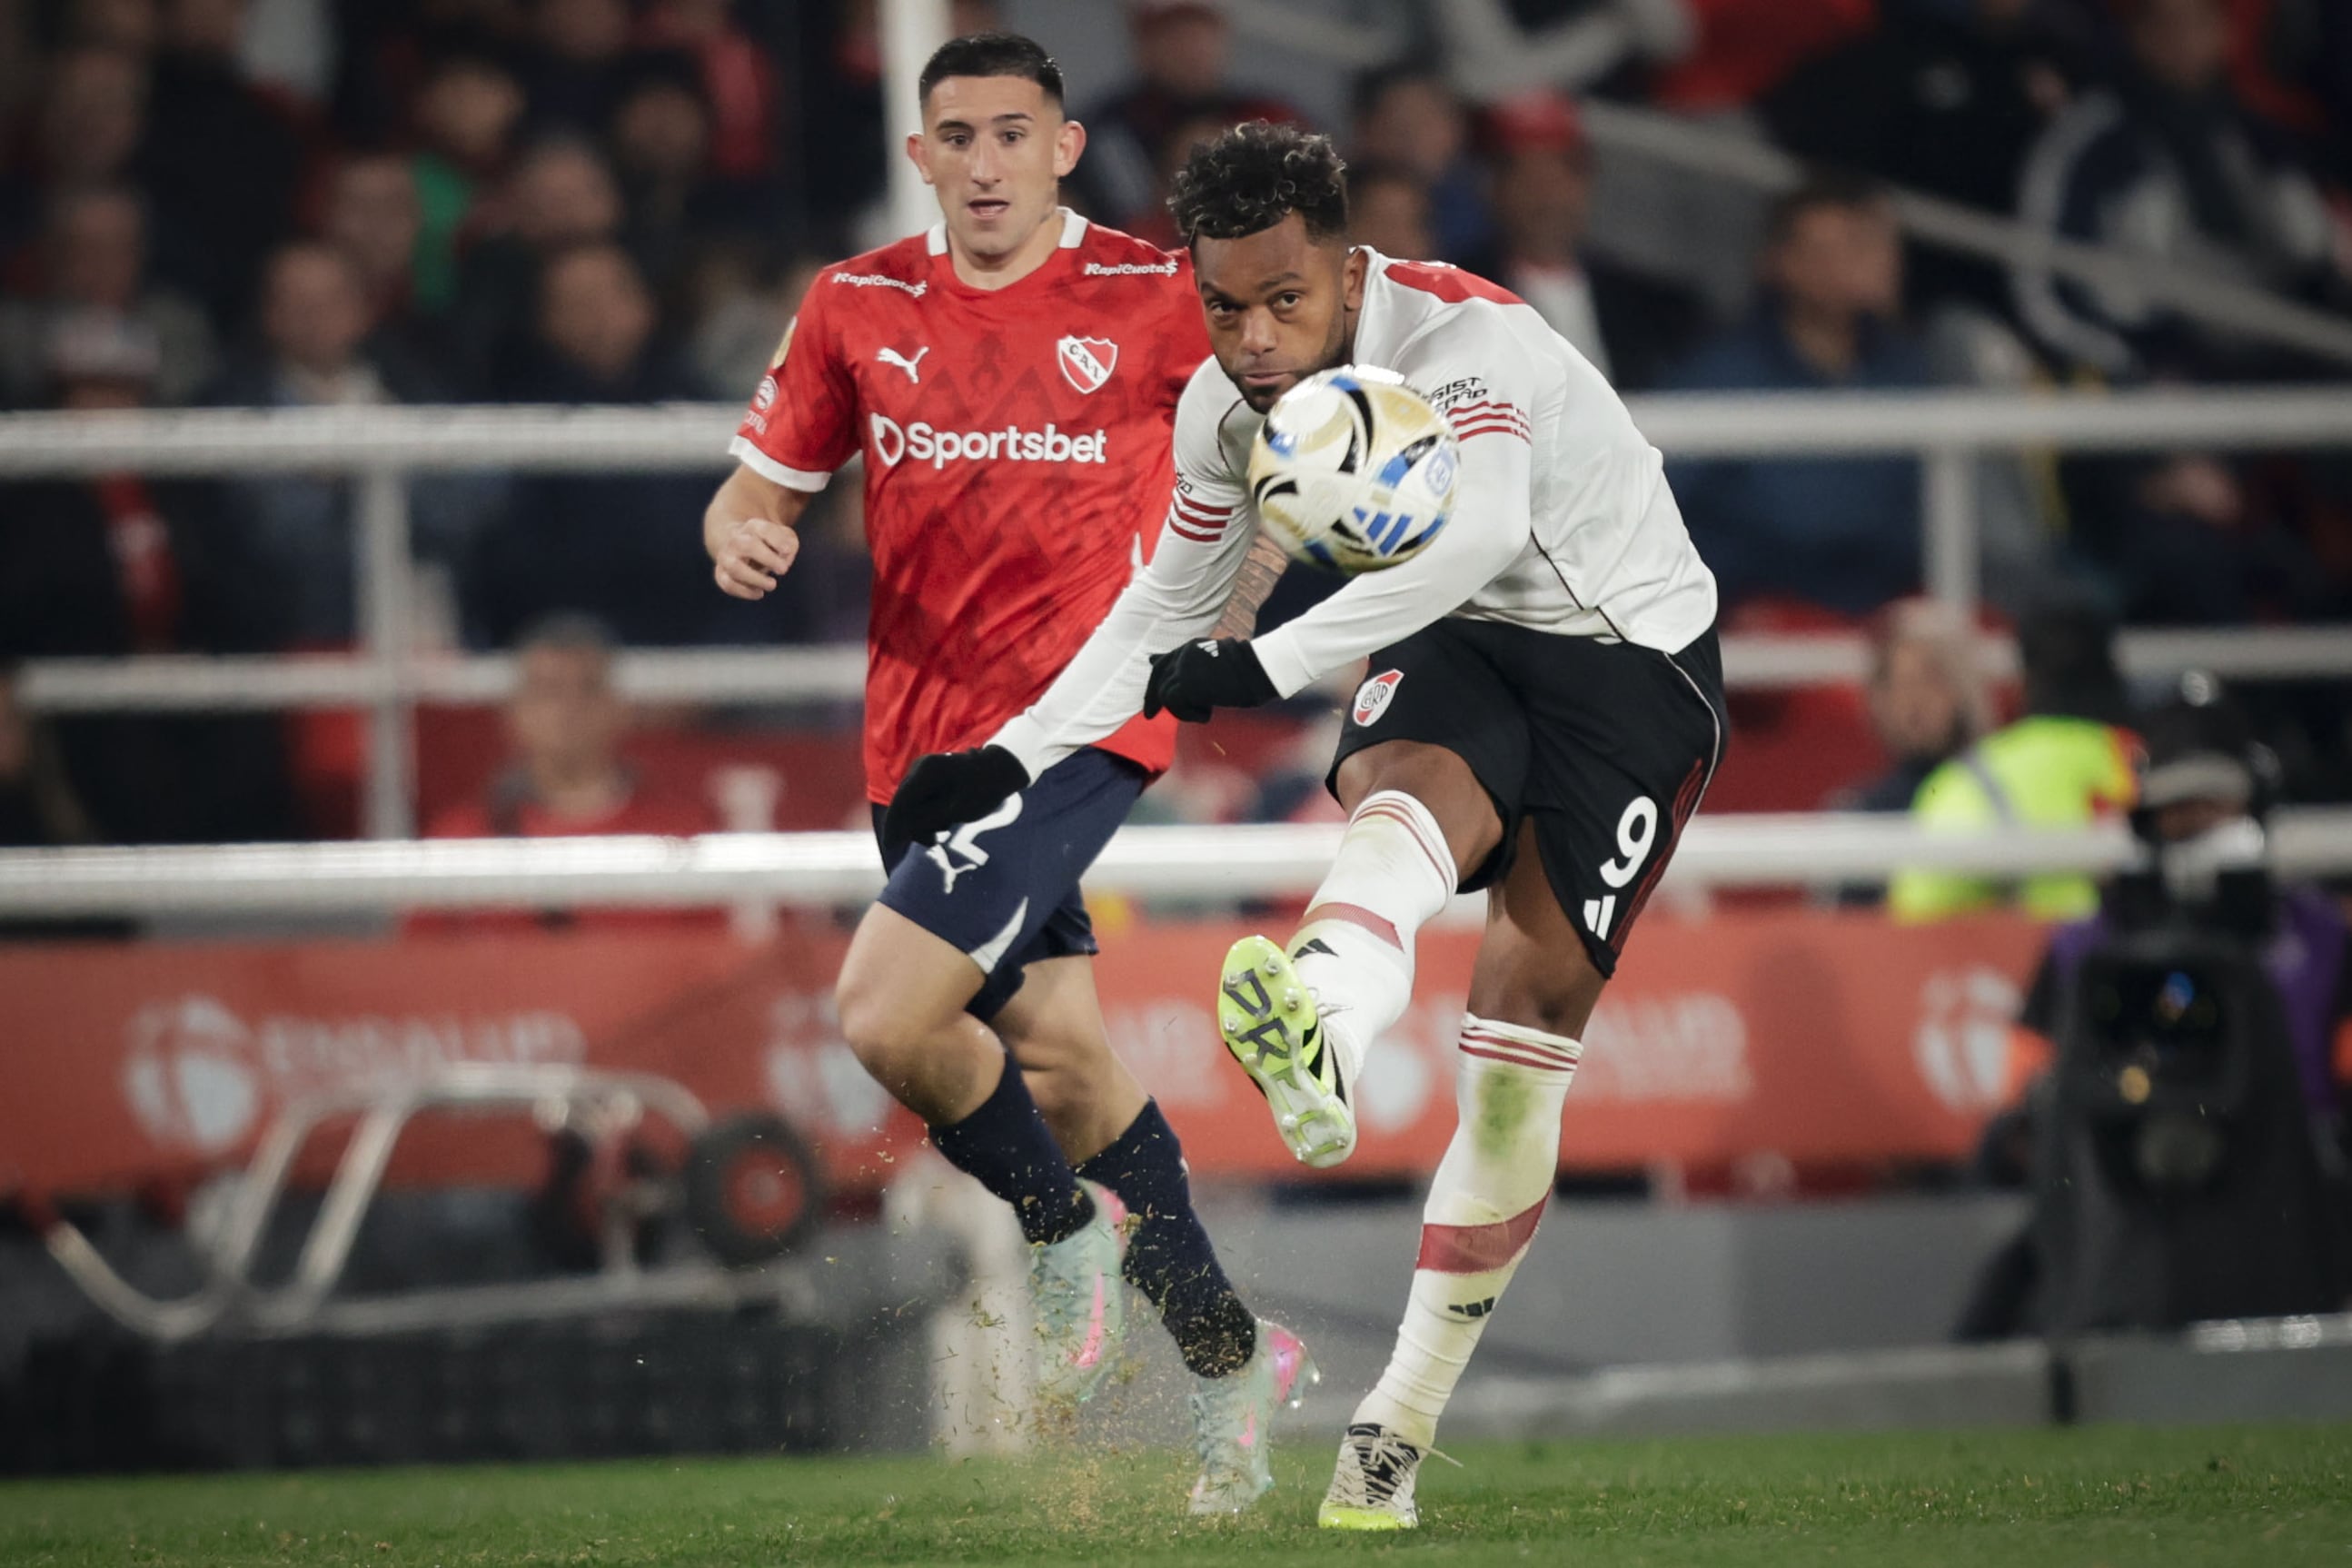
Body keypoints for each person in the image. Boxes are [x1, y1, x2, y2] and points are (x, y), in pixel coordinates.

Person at [886, 122, 1723, 1529]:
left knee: (1517, 1037)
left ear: (1349, 267)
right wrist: (1006, 756)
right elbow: (1163, 605)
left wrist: (1267, 663)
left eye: (1286, 300)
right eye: (1225, 306)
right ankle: (1323, 1028)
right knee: (1397, 801)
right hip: (1461, 638)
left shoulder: (1467, 346)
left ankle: (1391, 1430)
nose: (1257, 338)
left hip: (1628, 655)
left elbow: (1476, 530)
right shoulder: (1223, 404)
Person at [699, 34, 1309, 1514]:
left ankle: (1055, 1233)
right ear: (919, 157)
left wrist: (1253, 571)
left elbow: (1288, 450)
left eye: (1007, 134)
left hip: (1076, 724)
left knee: (880, 1012)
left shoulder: (1156, 299)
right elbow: (754, 483)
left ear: (1061, 146)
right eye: (952, 135)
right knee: (1066, 1061)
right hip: (914, 743)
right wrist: (739, 529)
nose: (980, 162)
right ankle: (1232, 1358)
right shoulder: (855, 307)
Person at [2012, 0, 2344, 382]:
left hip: (2294, 371)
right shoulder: (2089, 142)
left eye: (2197, 23)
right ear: (2136, 34)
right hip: (2159, 388)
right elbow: (2041, 286)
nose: (2181, 40)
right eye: (2163, 24)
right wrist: (2135, 376)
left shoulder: (2263, 139)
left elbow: (2320, 262)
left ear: (2226, 33)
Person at [1663, 173, 1935, 617]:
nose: (1839, 266)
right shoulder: (1722, 372)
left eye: (1852, 247)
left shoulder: (1903, 367)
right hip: (1761, 607)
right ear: (1778, 262)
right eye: (1821, 251)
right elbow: (1660, 501)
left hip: (1889, 600)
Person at [413, 614, 723, 935]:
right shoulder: (459, 843)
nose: (569, 707)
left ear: (620, 707)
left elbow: (722, 958)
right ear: (515, 712)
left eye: (588, 688)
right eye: (549, 690)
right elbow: (418, 964)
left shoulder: (683, 836)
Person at [1887, 595, 2139, 923]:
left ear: (2023, 680)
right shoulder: (2153, 761)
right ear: (2114, 671)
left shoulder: (1968, 780)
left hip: (2027, 970)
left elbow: (1916, 917)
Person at [1461, 90, 1706, 392]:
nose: (1547, 199)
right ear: (1494, 190)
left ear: (1586, 185)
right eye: (1529, 181)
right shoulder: (1458, 300)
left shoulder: (1656, 307)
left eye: (1560, 179)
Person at [1828, 597, 1995, 814]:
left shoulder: (1999, 796)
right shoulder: (1859, 814)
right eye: (1901, 685)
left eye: (1931, 681)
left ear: (1962, 689)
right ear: (1879, 700)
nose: (1915, 700)